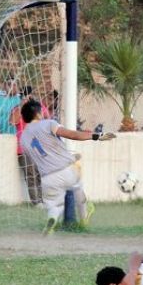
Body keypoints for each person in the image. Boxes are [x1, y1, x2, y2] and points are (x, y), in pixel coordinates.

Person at [19, 99, 114, 234]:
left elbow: (37, 158)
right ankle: (84, 216)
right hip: (67, 169)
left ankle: (51, 220)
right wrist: (97, 136)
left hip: (47, 177)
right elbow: (72, 135)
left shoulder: (23, 138)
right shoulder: (48, 124)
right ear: (38, 113)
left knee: (54, 205)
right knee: (78, 189)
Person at [12, 86, 48, 205]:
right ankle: (36, 202)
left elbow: (46, 120)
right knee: (31, 175)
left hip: (38, 147)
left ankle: (43, 201)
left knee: (41, 174)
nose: (26, 98)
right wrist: (23, 105)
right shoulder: (17, 109)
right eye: (23, 96)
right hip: (23, 148)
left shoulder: (38, 107)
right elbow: (13, 121)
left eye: (27, 95)